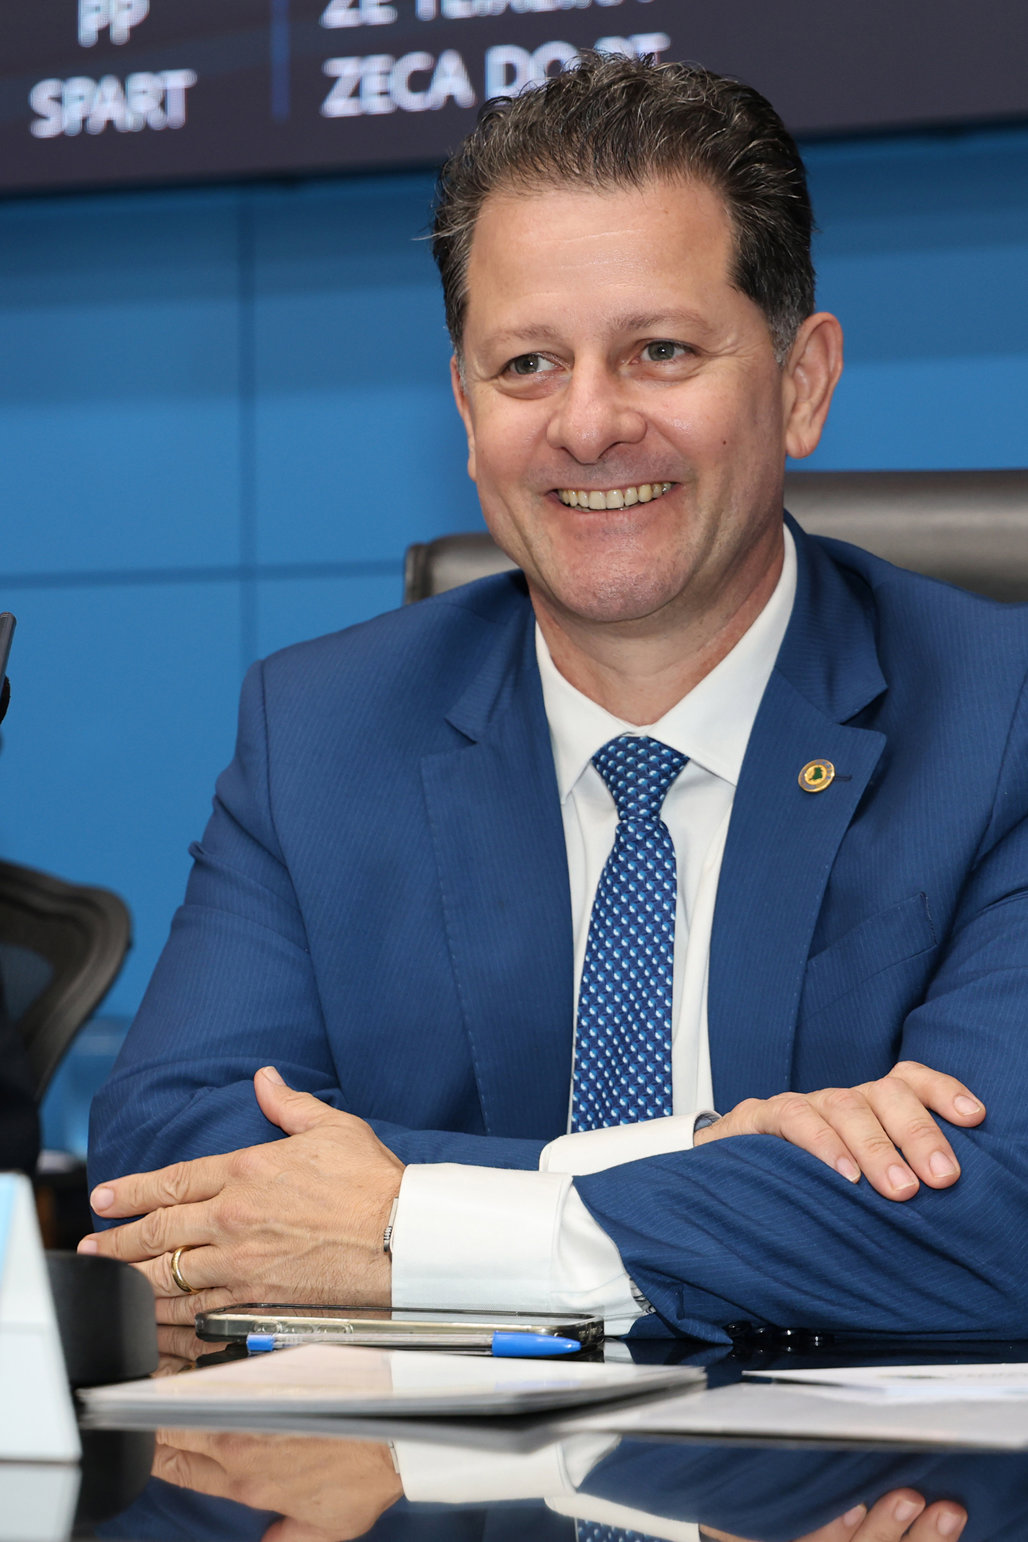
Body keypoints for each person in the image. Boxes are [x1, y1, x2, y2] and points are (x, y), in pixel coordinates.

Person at [83, 54, 1028, 1346]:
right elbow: (166, 1159)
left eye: (660, 351)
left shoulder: (998, 721)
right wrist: (697, 1158)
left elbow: (999, 1202)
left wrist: (414, 1226)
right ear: (465, 410)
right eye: (527, 363)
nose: (588, 424)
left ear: (801, 382)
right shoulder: (321, 730)